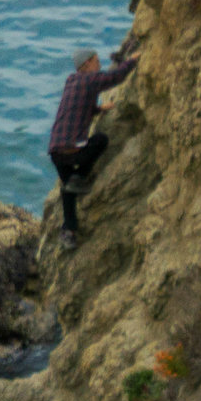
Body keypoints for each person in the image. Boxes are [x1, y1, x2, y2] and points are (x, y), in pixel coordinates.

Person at [47, 38, 136, 249]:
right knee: (100, 140)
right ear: (87, 64)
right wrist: (131, 61)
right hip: (73, 151)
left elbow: (75, 107)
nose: (99, 66)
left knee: (67, 189)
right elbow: (116, 77)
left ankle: (68, 232)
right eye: (96, 61)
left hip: (55, 151)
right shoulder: (91, 79)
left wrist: (98, 109)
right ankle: (80, 176)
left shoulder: (71, 80)